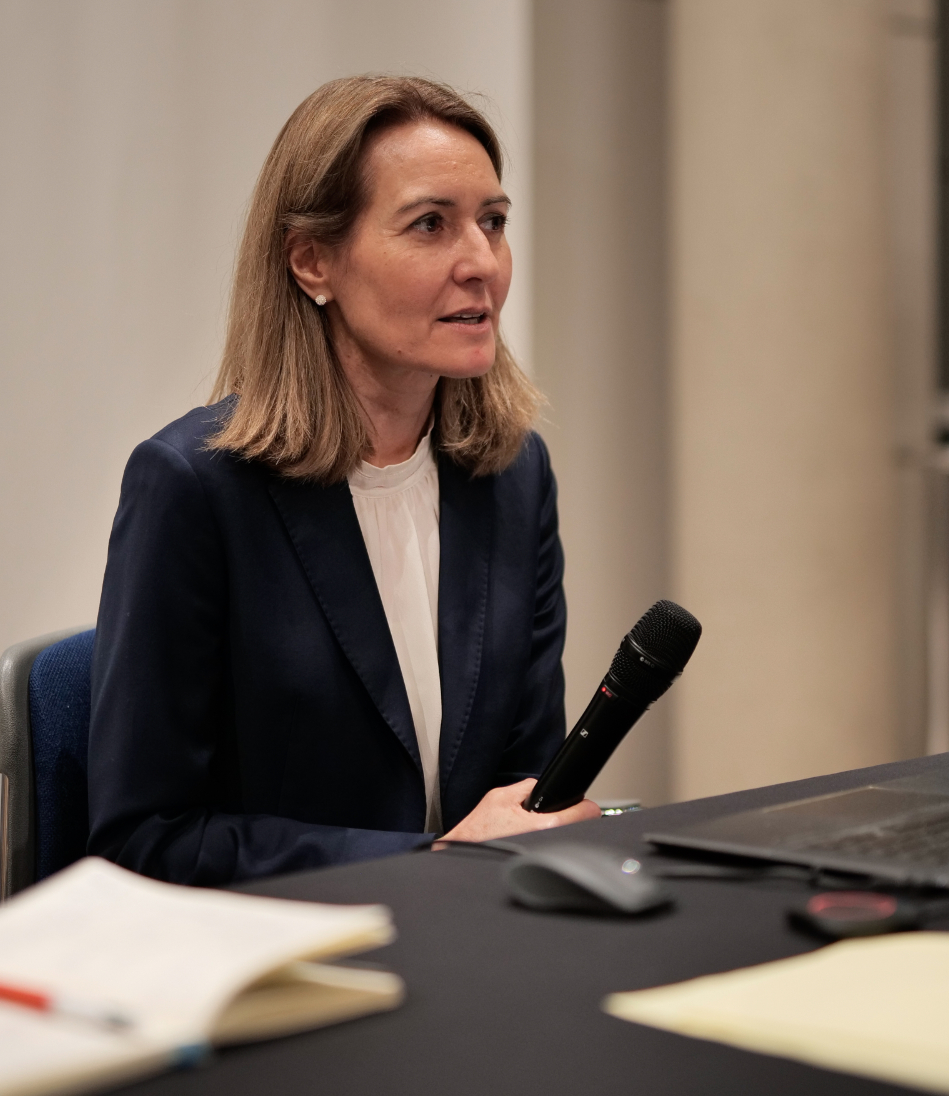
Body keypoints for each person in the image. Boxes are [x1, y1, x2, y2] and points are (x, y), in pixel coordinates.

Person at [87, 75, 600, 885]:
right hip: (287, 945)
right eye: (429, 225)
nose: (481, 263)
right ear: (312, 262)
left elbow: (523, 789)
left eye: (493, 222)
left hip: (473, 932)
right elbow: (146, 840)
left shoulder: (512, 474)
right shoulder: (192, 488)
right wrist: (430, 861)